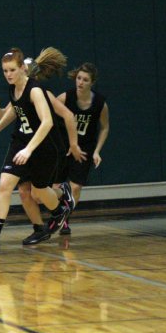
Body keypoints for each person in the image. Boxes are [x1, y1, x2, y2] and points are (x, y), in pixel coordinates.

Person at [0, 47, 74, 253]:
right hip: (21, 142)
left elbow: (48, 122)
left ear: (23, 68)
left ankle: (59, 211)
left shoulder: (35, 90)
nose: (8, 75)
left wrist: (29, 150)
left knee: (38, 192)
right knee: (4, 184)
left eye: (12, 70)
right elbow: (13, 112)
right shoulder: (14, 90)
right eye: (5, 71)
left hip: (44, 146)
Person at [55, 62, 110, 235]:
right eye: (79, 78)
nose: (80, 82)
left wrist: (97, 151)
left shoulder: (100, 103)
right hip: (64, 146)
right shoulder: (65, 97)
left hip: (84, 148)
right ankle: (57, 213)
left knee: (76, 188)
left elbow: (105, 127)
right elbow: (47, 113)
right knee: (54, 188)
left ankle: (64, 220)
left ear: (91, 83)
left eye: (85, 80)